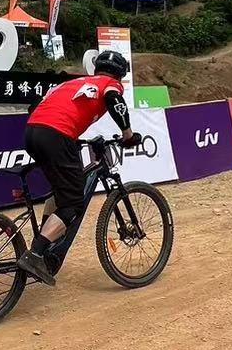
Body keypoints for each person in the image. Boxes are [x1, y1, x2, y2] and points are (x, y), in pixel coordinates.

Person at [18, 49, 140, 286]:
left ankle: (45, 240)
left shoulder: (73, 83)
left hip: (33, 131)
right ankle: (36, 253)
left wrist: (69, 137)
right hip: (57, 134)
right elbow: (114, 100)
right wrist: (127, 134)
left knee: (59, 191)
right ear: (120, 74)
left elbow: (37, 107)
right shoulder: (110, 84)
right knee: (73, 203)